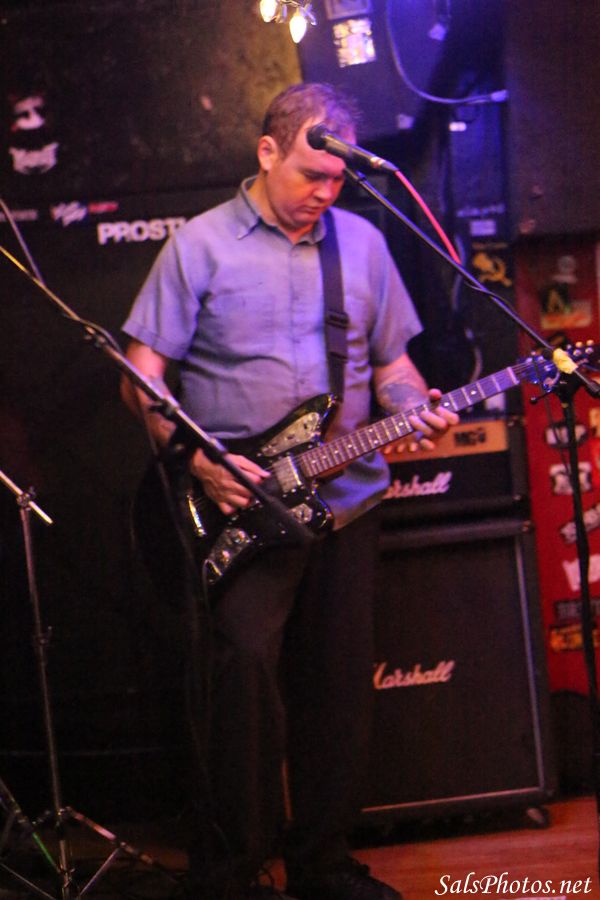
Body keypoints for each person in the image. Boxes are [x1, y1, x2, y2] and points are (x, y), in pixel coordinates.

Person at [120, 83, 459, 900]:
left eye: (337, 179)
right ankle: (235, 869)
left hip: (347, 502)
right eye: (311, 174)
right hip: (242, 506)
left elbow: (393, 366)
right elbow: (140, 376)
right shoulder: (201, 246)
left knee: (338, 689)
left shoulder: (363, 245)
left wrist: (413, 406)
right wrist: (198, 462)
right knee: (241, 683)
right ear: (267, 152)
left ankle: (324, 863)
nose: (324, 192)